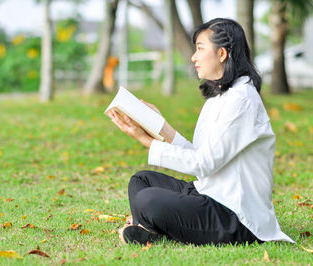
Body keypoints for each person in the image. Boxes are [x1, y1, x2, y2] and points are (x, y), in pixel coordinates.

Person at [108, 18, 294, 246]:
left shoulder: (242, 101)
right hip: (208, 192)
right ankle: (149, 228)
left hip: (235, 217)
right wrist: (160, 125)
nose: (194, 57)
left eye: (200, 49)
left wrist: (146, 141)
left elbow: (203, 164)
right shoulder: (221, 96)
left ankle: (146, 225)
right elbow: (199, 154)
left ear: (222, 54)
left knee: (148, 199)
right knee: (141, 181)